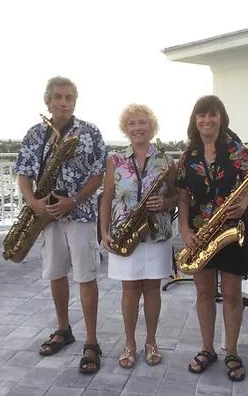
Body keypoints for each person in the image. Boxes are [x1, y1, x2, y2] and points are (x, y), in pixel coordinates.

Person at [14, 76, 107, 374]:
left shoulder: (90, 132)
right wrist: (33, 203)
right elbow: (24, 174)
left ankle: (91, 341)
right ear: (48, 101)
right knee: (55, 273)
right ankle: (63, 329)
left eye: (68, 97)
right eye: (58, 97)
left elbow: (98, 176)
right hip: (46, 215)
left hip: (78, 214)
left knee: (85, 275)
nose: (63, 102)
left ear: (74, 102)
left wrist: (75, 200)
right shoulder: (35, 134)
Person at [176, 95, 248, 382]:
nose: (206, 120)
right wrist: (185, 230)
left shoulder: (237, 150)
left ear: (221, 118)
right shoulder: (188, 155)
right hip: (200, 232)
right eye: (201, 115)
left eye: (212, 115)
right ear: (194, 120)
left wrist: (246, 202)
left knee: (233, 295)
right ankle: (207, 349)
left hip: (232, 230)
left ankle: (231, 351)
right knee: (205, 294)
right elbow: (183, 197)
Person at [100, 104, 177, 369]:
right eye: (131, 123)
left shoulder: (166, 161)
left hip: (156, 233)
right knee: (130, 290)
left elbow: (178, 195)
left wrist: (165, 202)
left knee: (153, 289)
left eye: (142, 122)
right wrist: (104, 231)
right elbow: (107, 197)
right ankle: (130, 343)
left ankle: (151, 342)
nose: (137, 127)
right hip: (125, 232)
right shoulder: (115, 160)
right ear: (125, 129)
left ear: (151, 126)